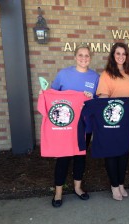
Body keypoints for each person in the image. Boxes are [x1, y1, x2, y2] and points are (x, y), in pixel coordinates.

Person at [50, 43, 100, 207]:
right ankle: (58, 192)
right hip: (65, 127)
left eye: (87, 56)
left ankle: (78, 188)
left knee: (80, 156)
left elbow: (98, 102)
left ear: (90, 58)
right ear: (75, 57)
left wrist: (90, 99)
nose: (83, 58)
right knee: (63, 158)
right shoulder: (63, 74)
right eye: (80, 55)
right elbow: (52, 95)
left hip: (85, 126)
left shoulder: (95, 77)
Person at [96, 42, 129, 201]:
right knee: (112, 153)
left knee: (123, 153)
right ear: (113, 56)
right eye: (118, 53)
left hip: (127, 121)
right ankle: (114, 186)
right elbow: (103, 98)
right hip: (112, 121)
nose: (121, 56)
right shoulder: (107, 74)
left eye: (124, 54)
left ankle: (121, 183)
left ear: (127, 56)